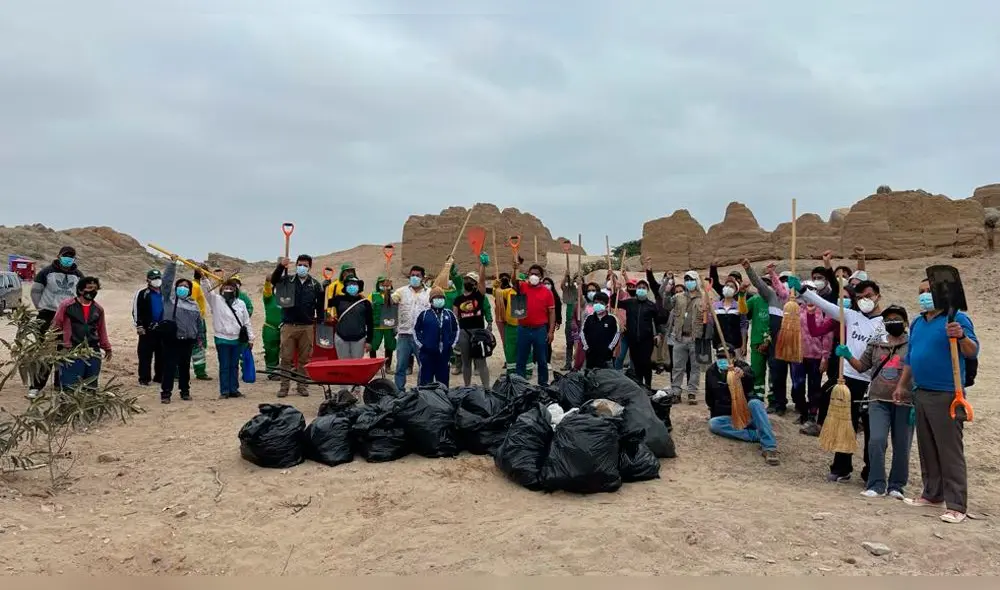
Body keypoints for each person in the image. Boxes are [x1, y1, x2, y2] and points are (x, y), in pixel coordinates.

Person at [893, 279, 979, 523]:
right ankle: (932, 494)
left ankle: (956, 505)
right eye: (921, 291)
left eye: (929, 291)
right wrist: (902, 385)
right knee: (927, 446)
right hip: (921, 391)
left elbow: (972, 351)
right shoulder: (918, 322)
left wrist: (961, 336)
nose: (924, 295)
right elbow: (911, 358)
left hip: (947, 393)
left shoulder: (957, 319)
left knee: (949, 450)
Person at [799, 277, 884, 483]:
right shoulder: (851, 316)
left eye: (868, 296)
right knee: (845, 424)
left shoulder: (884, 323)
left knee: (872, 429)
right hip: (848, 379)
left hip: (873, 381)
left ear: (878, 296)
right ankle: (841, 467)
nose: (864, 300)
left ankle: (871, 471)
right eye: (860, 297)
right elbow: (825, 305)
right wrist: (803, 291)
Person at [837, 305, 912, 499]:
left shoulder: (913, 344)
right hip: (878, 399)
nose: (892, 322)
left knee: (902, 444)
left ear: (905, 322)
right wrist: (847, 355)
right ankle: (876, 483)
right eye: (888, 319)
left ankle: (896, 485)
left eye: (897, 319)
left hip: (904, 402)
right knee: (876, 440)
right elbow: (862, 366)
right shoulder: (876, 344)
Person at [705, 347, 779, 466]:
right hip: (730, 416)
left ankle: (769, 447)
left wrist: (743, 374)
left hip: (746, 414)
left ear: (733, 357)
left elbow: (751, 377)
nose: (723, 360)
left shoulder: (742, 367)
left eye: (726, 357)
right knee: (714, 424)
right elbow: (709, 398)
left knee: (755, 403)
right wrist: (714, 413)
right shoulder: (711, 371)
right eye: (720, 357)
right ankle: (755, 435)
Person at [28, 246, 85, 398]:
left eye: (71, 257)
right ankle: (36, 385)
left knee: (65, 350)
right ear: (59, 256)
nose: (68, 259)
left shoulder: (78, 275)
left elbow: (83, 295)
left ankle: (61, 383)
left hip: (69, 317)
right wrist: (40, 308)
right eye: (66, 256)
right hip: (48, 315)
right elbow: (35, 291)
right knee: (45, 351)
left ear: (74, 259)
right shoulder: (47, 272)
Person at [270, 254, 325, 397]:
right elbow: (274, 280)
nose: (302, 267)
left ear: (310, 267)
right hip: (289, 326)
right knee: (286, 358)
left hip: (307, 326)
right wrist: (281, 266)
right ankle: (284, 387)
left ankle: (302, 385)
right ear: (296, 266)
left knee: (304, 359)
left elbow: (320, 307)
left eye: (305, 265)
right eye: (300, 265)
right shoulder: (288, 280)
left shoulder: (315, 285)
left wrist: (320, 322)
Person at [392, 258, 451, 390]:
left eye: (417, 276)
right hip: (404, 335)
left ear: (423, 278)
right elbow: (390, 303)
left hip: (422, 336)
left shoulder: (430, 293)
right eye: (412, 275)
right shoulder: (401, 291)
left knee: (424, 366)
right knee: (400, 366)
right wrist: (387, 293)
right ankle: (399, 392)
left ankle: (421, 391)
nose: (414, 278)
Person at [743, 260, 789, 415]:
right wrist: (749, 269)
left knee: (777, 375)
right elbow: (758, 283)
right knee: (758, 373)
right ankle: (758, 401)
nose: (767, 286)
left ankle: (777, 402)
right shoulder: (770, 297)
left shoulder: (794, 301)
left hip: (781, 344)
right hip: (763, 342)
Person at [51, 277, 112, 393]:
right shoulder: (67, 306)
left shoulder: (98, 309)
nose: (93, 291)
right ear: (80, 290)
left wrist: (107, 347)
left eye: (95, 289)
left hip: (92, 350)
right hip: (72, 350)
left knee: (90, 384)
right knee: (70, 384)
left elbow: (101, 330)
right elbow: (56, 325)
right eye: (89, 288)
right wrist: (51, 343)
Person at [155, 260, 203, 403]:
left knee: (185, 368)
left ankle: (185, 392)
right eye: (180, 286)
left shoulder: (194, 304)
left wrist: (199, 338)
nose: (183, 288)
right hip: (172, 340)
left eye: (186, 286)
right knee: (169, 368)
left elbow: (198, 323)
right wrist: (172, 265)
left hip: (187, 341)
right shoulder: (169, 299)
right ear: (176, 288)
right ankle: (166, 394)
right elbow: (166, 282)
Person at [201, 276, 254, 399]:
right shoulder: (216, 300)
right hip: (222, 338)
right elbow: (207, 291)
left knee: (234, 365)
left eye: (231, 288)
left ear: (236, 290)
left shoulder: (240, 303)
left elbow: (246, 322)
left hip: (237, 339)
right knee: (224, 365)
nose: (228, 290)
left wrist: (251, 338)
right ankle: (224, 391)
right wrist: (204, 279)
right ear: (221, 289)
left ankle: (234, 390)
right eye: (226, 287)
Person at [512, 261, 556, 387]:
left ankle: (543, 385)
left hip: (540, 330)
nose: (534, 276)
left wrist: (551, 331)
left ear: (541, 277)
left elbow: (552, 313)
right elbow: (514, 282)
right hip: (523, 329)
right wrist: (515, 269)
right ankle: (520, 385)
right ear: (528, 275)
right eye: (531, 273)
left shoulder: (547, 292)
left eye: (536, 274)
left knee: (542, 360)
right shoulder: (523, 287)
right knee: (521, 359)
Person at [669, 270, 708, 405]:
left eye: (691, 279)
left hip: (695, 338)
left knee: (695, 368)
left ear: (696, 281)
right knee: (677, 367)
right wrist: (667, 289)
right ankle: (676, 392)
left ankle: (692, 392)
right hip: (679, 337)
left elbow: (708, 319)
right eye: (686, 280)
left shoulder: (704, 298)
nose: (689, 282)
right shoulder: (678, 297)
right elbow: (666, 305)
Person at [795, 294, 834, 427]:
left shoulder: (824, 311)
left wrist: (825, 357)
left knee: (814, 387)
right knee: (797, 386)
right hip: (798, 355)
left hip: (816, 357)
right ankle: (803, 413)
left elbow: (828, 336)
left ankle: (812, 414)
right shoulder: (798, 308)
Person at [453, 256, 493, 387]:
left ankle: (487, 388)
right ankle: (467, 387)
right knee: (466, 362)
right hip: (464, 331)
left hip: (478, 332)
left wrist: (483, 266)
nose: (467, 282)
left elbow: (482, 280)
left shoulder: (478, 295)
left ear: (475, 284)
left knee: (481, 362)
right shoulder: (458, 299)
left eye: (470, 280)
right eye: (466, 279)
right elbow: (455, 316)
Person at [618, 276, 662, 389]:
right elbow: (615, 302)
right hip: (632, 339)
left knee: (646, 363)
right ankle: (639, 386)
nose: (641, 289)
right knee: (636, 364)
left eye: (643, 288)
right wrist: (616, 289)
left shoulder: (651, 305)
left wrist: (658, 334)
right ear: (636, 289)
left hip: (647, 339)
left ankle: (648, 385)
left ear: (647, 290)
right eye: (639, 287)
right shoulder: (630, 303)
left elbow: (658, 321)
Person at [414, 287, 460, 386]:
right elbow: (416, 330)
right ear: (431, 300)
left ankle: (443, 395)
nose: (439, 300)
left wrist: (450, 345)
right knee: (425, 383)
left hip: (444, 355)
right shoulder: (424, 314)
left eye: (441, 298)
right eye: (436, 298)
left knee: (443, 383)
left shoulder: (449, 314)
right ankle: (425, 395)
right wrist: (423, 345)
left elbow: (456, 330)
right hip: (427, 354)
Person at [132, 269, 166, 387]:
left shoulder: (164, 293)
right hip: (147, 329)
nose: (157, 280)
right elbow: (136, 310)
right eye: (154, 278)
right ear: (148, 280)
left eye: (158, 278)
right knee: (145, 355)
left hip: (162, 328)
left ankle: (160, 377)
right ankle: (144, 378)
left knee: (162, 354)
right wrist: (139, 325)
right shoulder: (142, 293)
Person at [328, 276, 374, 359]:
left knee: (357, 364)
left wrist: (369, 341)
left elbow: (370, 323)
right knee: (343, 364)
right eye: (349, 284)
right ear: (345, 286)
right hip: (341, 338)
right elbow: (324, 303)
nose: (352, 286)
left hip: (359, 339)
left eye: (354, 284)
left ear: (359, 286)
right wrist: (325, 288)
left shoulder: (365, 302)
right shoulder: (338, 299)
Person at [581, 292, 620, 368]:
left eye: (601, 303)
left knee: (605, 374)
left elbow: (616, 334)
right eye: (596, 303)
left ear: (606, 305)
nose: (598, 305)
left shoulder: (612, 319)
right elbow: (583, 333)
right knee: (589, 373)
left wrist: (610, 348)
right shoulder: (589, 318)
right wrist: (586, 347)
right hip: (590, 354)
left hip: (606, 356)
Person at [368, 276, 397, 370]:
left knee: (390, 345)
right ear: (378, 284)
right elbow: (368, 308)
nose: (384, 285)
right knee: (373, 345)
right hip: (376, 325)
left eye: (386, 284)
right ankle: (373, 366)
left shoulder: (394, 295)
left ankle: (387, 366)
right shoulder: (373, 295)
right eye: (381, 283)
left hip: (389, 326)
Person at [190, 266, 212, 381]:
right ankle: (200, 372)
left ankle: (200, 371)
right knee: (198, 346)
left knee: (199, 346)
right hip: (195, 321)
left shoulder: (198, 286)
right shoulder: (194, 286)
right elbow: (190, 303)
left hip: (199, 319)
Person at [261, 274, 283, 380]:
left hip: (286, 328)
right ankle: (272, 371)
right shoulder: (269, 298)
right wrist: (267, 281)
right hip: (270, 328)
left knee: (288, 350)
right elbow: (267, 290)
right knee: (271, 350)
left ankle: (287, 371)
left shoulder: (288, 298)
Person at [542, 276, 563, 367]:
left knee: (548, 341)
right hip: (540, 321)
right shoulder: (540, 295)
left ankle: (547, 361)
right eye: (544, 283)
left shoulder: (555, 297)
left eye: (548, 283)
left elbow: (558, 309)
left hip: (550, 322)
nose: (546, 285)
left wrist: (558, 321)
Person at [560, 271, 579, 371]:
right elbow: (562, 286)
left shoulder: (581, 293)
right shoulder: (569, 292)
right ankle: (568, 363)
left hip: (579, 323)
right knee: (569, 343)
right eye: (575, 278)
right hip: (569, 322)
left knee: (579, 344)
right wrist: (565, 276)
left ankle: (578, 363)